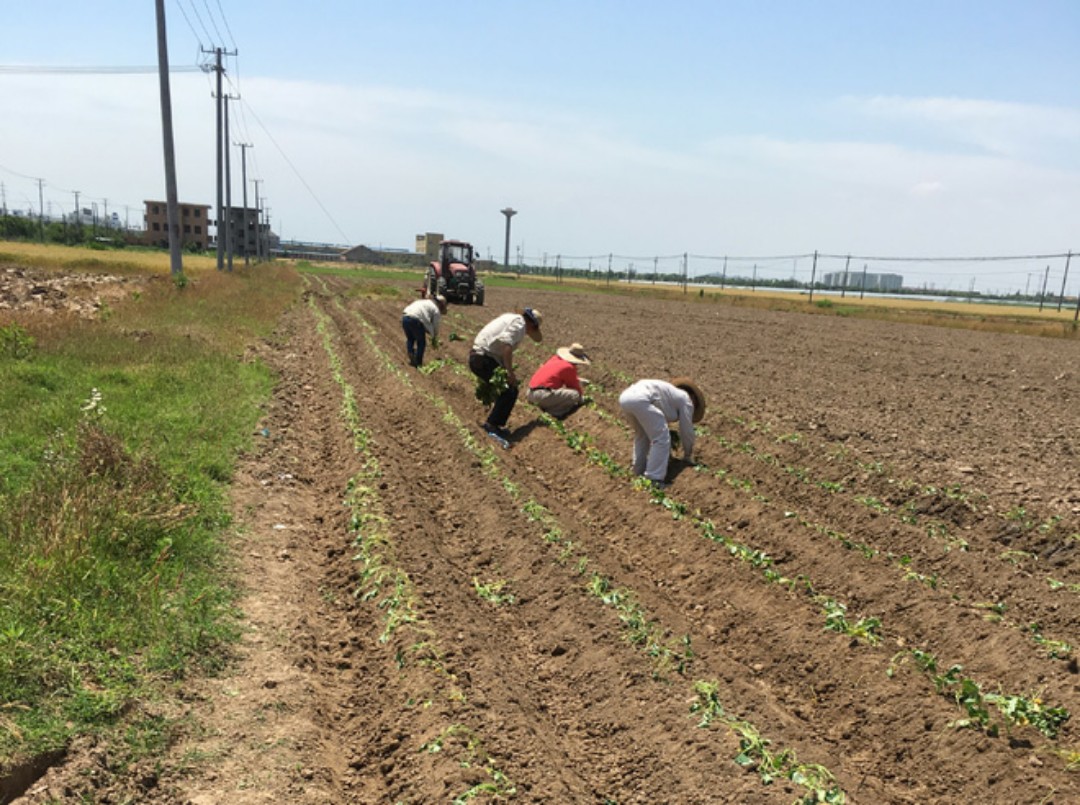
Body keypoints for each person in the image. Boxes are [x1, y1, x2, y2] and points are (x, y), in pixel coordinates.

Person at [469, 307, 543, 439]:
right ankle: (492, 425)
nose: (528, 333)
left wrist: (504, 368)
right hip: (483, 358)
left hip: (478, 356)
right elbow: (506, 345)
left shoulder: (511, 318)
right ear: (532, 324)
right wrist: (509, 372)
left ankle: (494, 424)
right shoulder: (520, 324)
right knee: (510, 391)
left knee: (509, 390)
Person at [618, 377, 706, 488]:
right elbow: (686, 430)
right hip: (641, 399)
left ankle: (638, 471)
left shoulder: (671, 395)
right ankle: (654, 479)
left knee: (642, 436)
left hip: (626, 397)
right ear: (692, 397)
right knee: (662, 438)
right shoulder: (686, 399)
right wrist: (687, 455)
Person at [526, 343, 591, 419]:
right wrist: (581, 399)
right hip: (542, 396)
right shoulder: (569, 367)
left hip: (530, 393)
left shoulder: (555, 359)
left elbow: (555, 375)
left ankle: (544, 406)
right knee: (574, 394)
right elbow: (574, 387)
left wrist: (578, 380)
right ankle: (555, 413)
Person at [401, 294, 447, 367]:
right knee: (421, 342)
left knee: (410, 338)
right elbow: (435, 325)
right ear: (440, 304)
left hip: (405, 317)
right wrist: (434, 336)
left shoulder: (423, 302)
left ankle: (410, 352)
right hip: (415, 320)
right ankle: (418, 362)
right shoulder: (436, 309)